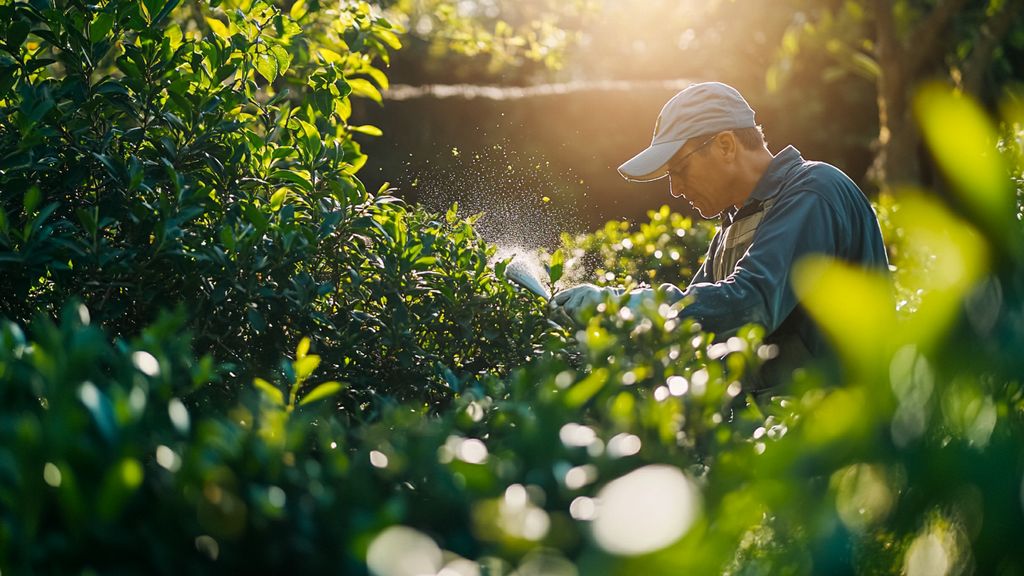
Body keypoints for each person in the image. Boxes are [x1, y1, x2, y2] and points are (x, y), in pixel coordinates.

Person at [551, 81, 888, 390]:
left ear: (726, 145)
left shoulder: (813, 191)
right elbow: (691, 321)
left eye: (679, 169)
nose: (675, 189)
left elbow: (750, 303)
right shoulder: (736, 224)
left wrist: (619, 304)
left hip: (848, 438)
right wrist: (607, 328)